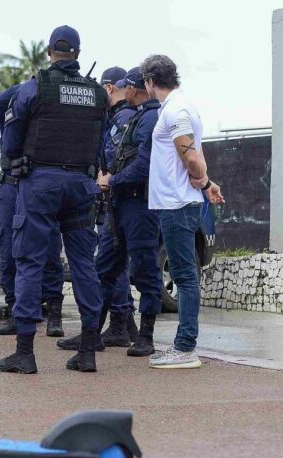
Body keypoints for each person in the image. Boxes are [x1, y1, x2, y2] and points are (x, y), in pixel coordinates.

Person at [0, 26, 107, 374]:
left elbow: (10, 143)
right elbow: (101, 145)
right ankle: (88, 349)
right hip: (81, 185)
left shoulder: (34, 87)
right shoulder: (98, 94)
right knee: (84, 264)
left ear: (48, 51)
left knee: (29, 262)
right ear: (77, 52)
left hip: (40, 183)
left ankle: (24, 352)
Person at [140, 54, 224, 369]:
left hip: (176, 205)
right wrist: (206, 184)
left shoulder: (174, 110)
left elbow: (190, 157)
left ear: (150, 81)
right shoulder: (183, 105)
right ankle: (184, 346)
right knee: (186, 275)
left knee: (185, 277)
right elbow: (188, 157)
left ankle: (185, 348)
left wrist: (201, 175)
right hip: (182, 200)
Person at [56, 66, 137, 352]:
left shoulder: (123, 117)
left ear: (109, 87)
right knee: (112, 263)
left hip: (116, 198)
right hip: (115, 198)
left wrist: (106, 179)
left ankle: (117, 327)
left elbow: (115, 157)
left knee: (108, 262)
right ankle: (125, 327)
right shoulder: (118, 117)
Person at [94, 67, 165, 357]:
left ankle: (145, 337)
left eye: (131, 87)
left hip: (139, 205)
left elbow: (144, 165)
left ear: (140, 89)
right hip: (121, 205)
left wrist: (113, 180)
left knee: (145, 271)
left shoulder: (149, 118)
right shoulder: (135, 116)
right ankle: (91, 333)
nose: (128, 92)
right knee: (104, 269)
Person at [0, 84, 65, 338]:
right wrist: (32, 84)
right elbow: (0, 100)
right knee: (10, 251)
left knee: (50, 251)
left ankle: (54, 314)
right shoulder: (13, 115)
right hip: (13, 186)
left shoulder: (51, 118)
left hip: (40, 189)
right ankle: (16, 310)